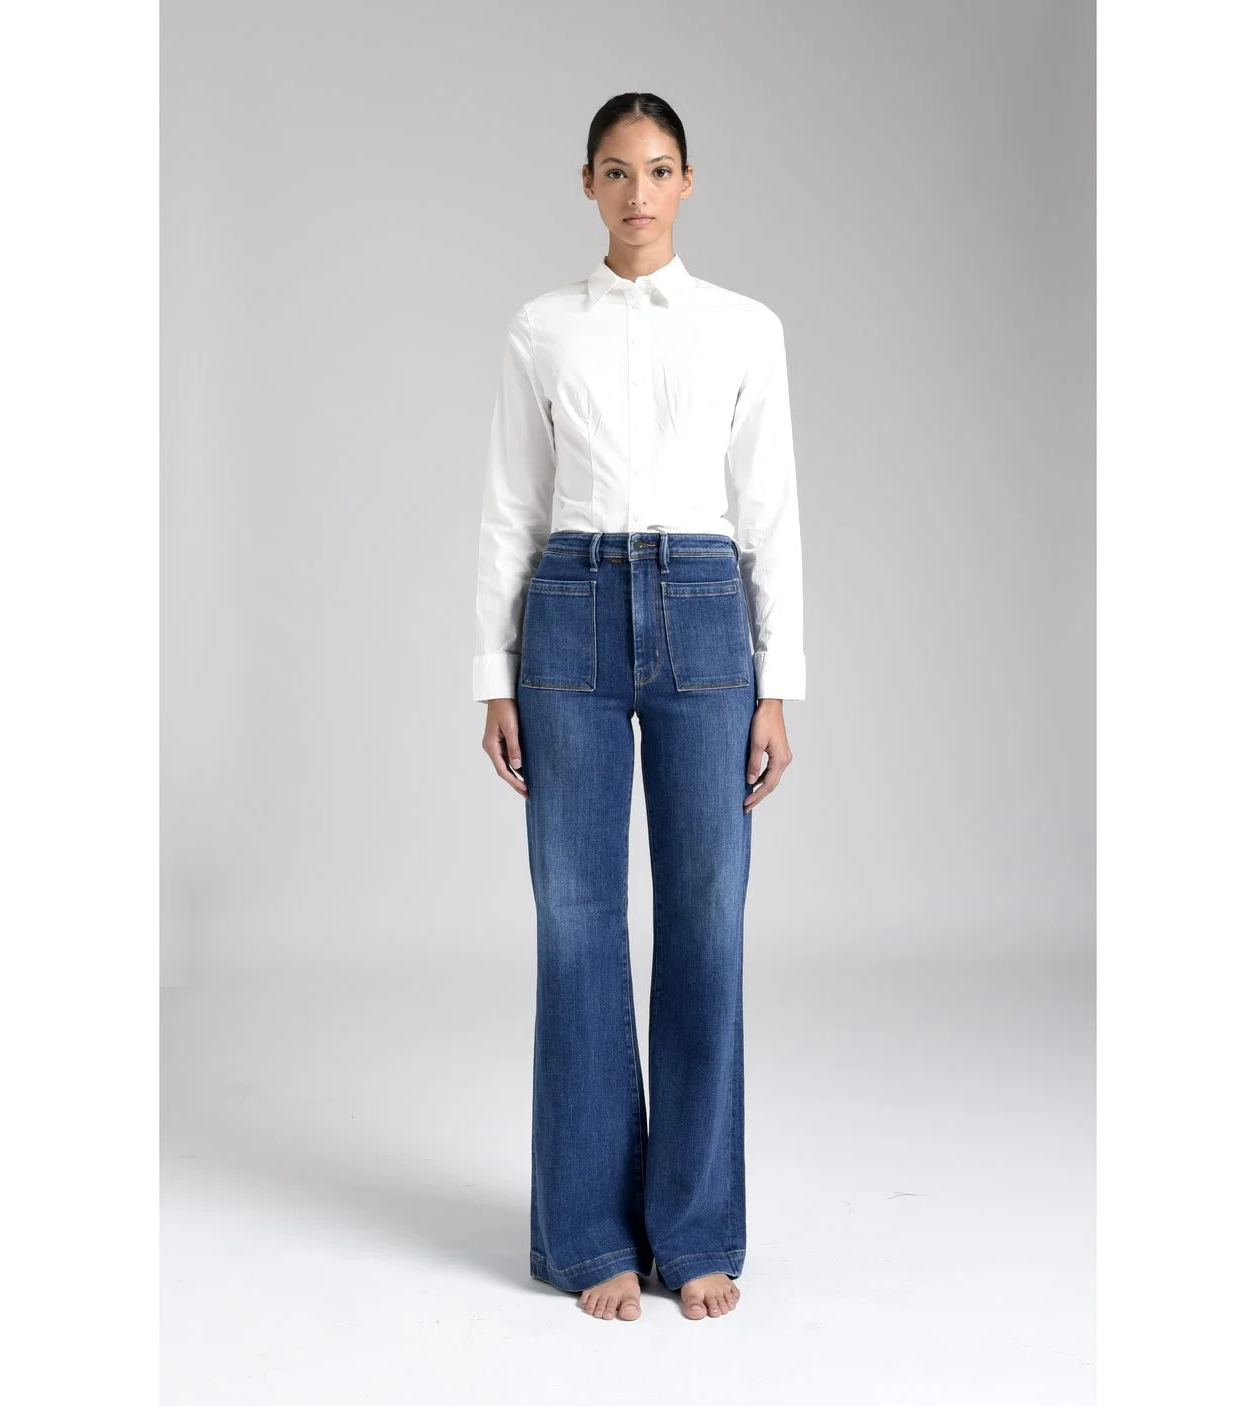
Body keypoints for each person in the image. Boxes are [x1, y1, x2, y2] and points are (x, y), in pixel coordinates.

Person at [470, 91, 806, 1324]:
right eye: (615, 171)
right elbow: (512, 503)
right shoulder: (541, 326)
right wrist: (492, 672)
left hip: (707, 612)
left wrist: (778, 684)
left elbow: (769, 507)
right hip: (568, 609)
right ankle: (588, 1234)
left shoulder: (743, 327)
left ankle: (696, 1226)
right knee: (575, 922)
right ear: (586, 184)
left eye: (657, 170)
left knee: (707, 920)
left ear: (687, 181)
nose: (637, 193)